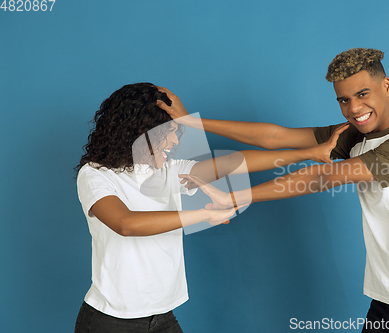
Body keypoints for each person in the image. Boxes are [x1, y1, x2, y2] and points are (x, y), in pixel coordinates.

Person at [157, 48, 389, 332]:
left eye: (363, 94)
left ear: (387, 86)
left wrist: (236, 197)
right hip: (387, 301)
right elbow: (276, 138)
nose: (354, 108)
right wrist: (191, 122)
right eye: (344, 99)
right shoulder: (356, 136)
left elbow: (325, 177)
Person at [74, 83, 336, 333]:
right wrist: (204, 214)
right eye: (168, 132)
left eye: (177, 132)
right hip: (111, 320)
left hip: (162, 315)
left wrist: (308, 154)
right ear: (140, 131)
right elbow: (126, 224)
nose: (175, 141)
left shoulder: (168, 170)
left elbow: (237, 161)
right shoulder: (96, 175)